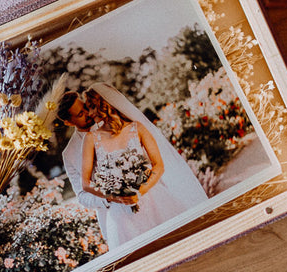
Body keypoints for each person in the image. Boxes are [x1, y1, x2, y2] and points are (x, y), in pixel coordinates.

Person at [57, 84, 208, 250]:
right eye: (80, 114)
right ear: (68, 122)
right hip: (120, 217)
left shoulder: (130, 127)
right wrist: (114, 197)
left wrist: (139, 187)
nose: (88, 114)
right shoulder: (71, 153)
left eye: (87, 107)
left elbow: (153, 164)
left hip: (152, 199)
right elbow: (82, 193)